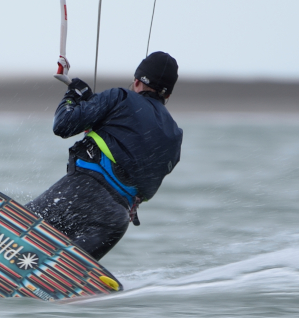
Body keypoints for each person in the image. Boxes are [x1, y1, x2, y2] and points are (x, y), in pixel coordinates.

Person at [26, 51, 183, 260]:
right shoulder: (175, 136)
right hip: (115, 221)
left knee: (15, 234)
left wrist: (73, 95)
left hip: (84, 193)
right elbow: (135, 145)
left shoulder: (121, 97)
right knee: (60, 271)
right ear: (168, 95)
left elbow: (63, 124)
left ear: (136, 82)